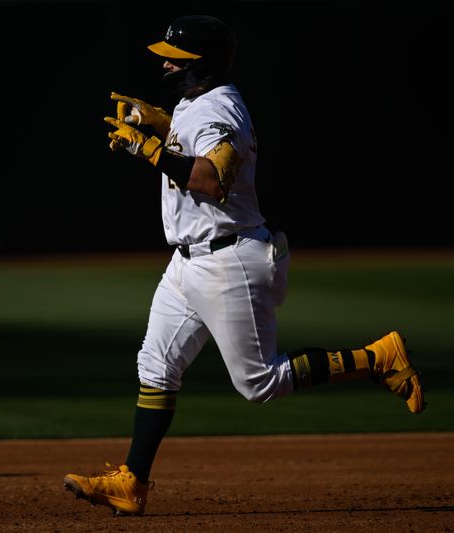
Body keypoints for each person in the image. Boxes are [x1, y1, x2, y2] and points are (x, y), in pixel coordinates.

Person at [63, 14, 425, 516]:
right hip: (187, 262)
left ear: (204, 64)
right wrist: (164, 126)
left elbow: (212, 179)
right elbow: (198, 147)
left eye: (178, 57)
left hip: (228, 259)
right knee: (155, 366)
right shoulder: (196, 105)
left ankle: (378, 358)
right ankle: (132, 482)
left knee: (259, 383)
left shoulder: (220, 110)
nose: (165, 62)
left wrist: (149, 150)